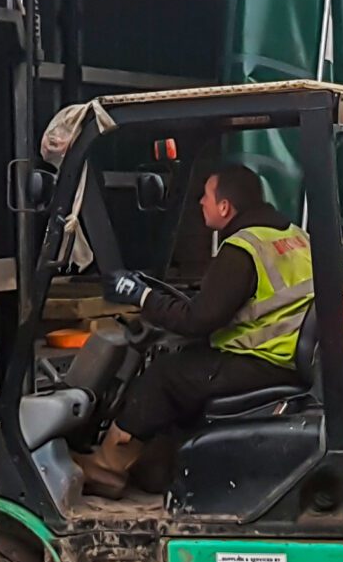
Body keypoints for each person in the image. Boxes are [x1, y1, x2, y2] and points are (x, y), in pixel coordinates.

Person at [73, 164, 314, 497]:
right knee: (188, 363)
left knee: (165, 375)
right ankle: (162, 461)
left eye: (206, 196)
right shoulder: (293, 236)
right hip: (287, 357)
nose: (201, 202)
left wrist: (141, 296)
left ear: (225, 207)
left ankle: (106, 466)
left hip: (262, 361)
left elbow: (198, 320)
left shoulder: (241, 249)